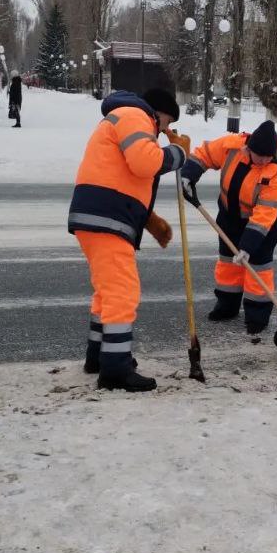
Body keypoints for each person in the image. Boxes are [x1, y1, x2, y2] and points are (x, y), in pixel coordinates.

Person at [68, 87, 187, 392]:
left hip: (101, 215)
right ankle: (115, 370)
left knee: (108, 292)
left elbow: (124, 177)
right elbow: (145, 164)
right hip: (106, 218)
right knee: (122, 291)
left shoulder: (124, 116)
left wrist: (149, 220)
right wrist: (178, 153)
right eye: (166, 123)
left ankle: (99, 356)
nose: (165, 130)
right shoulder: (135, 115)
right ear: (158, 112)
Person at [180, 120, 277, 336]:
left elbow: (265, 213)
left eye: (268, 156)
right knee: (228, 262)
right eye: (260, 156)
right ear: (249, 148)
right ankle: (227, 306)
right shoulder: (232, 146)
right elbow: (205, 154)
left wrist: (248, 245)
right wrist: (188, 174)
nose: (264, 160)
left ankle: (257, 316)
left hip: (262, 225)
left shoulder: (275, 174)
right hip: (230, 216)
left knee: (258, 267)